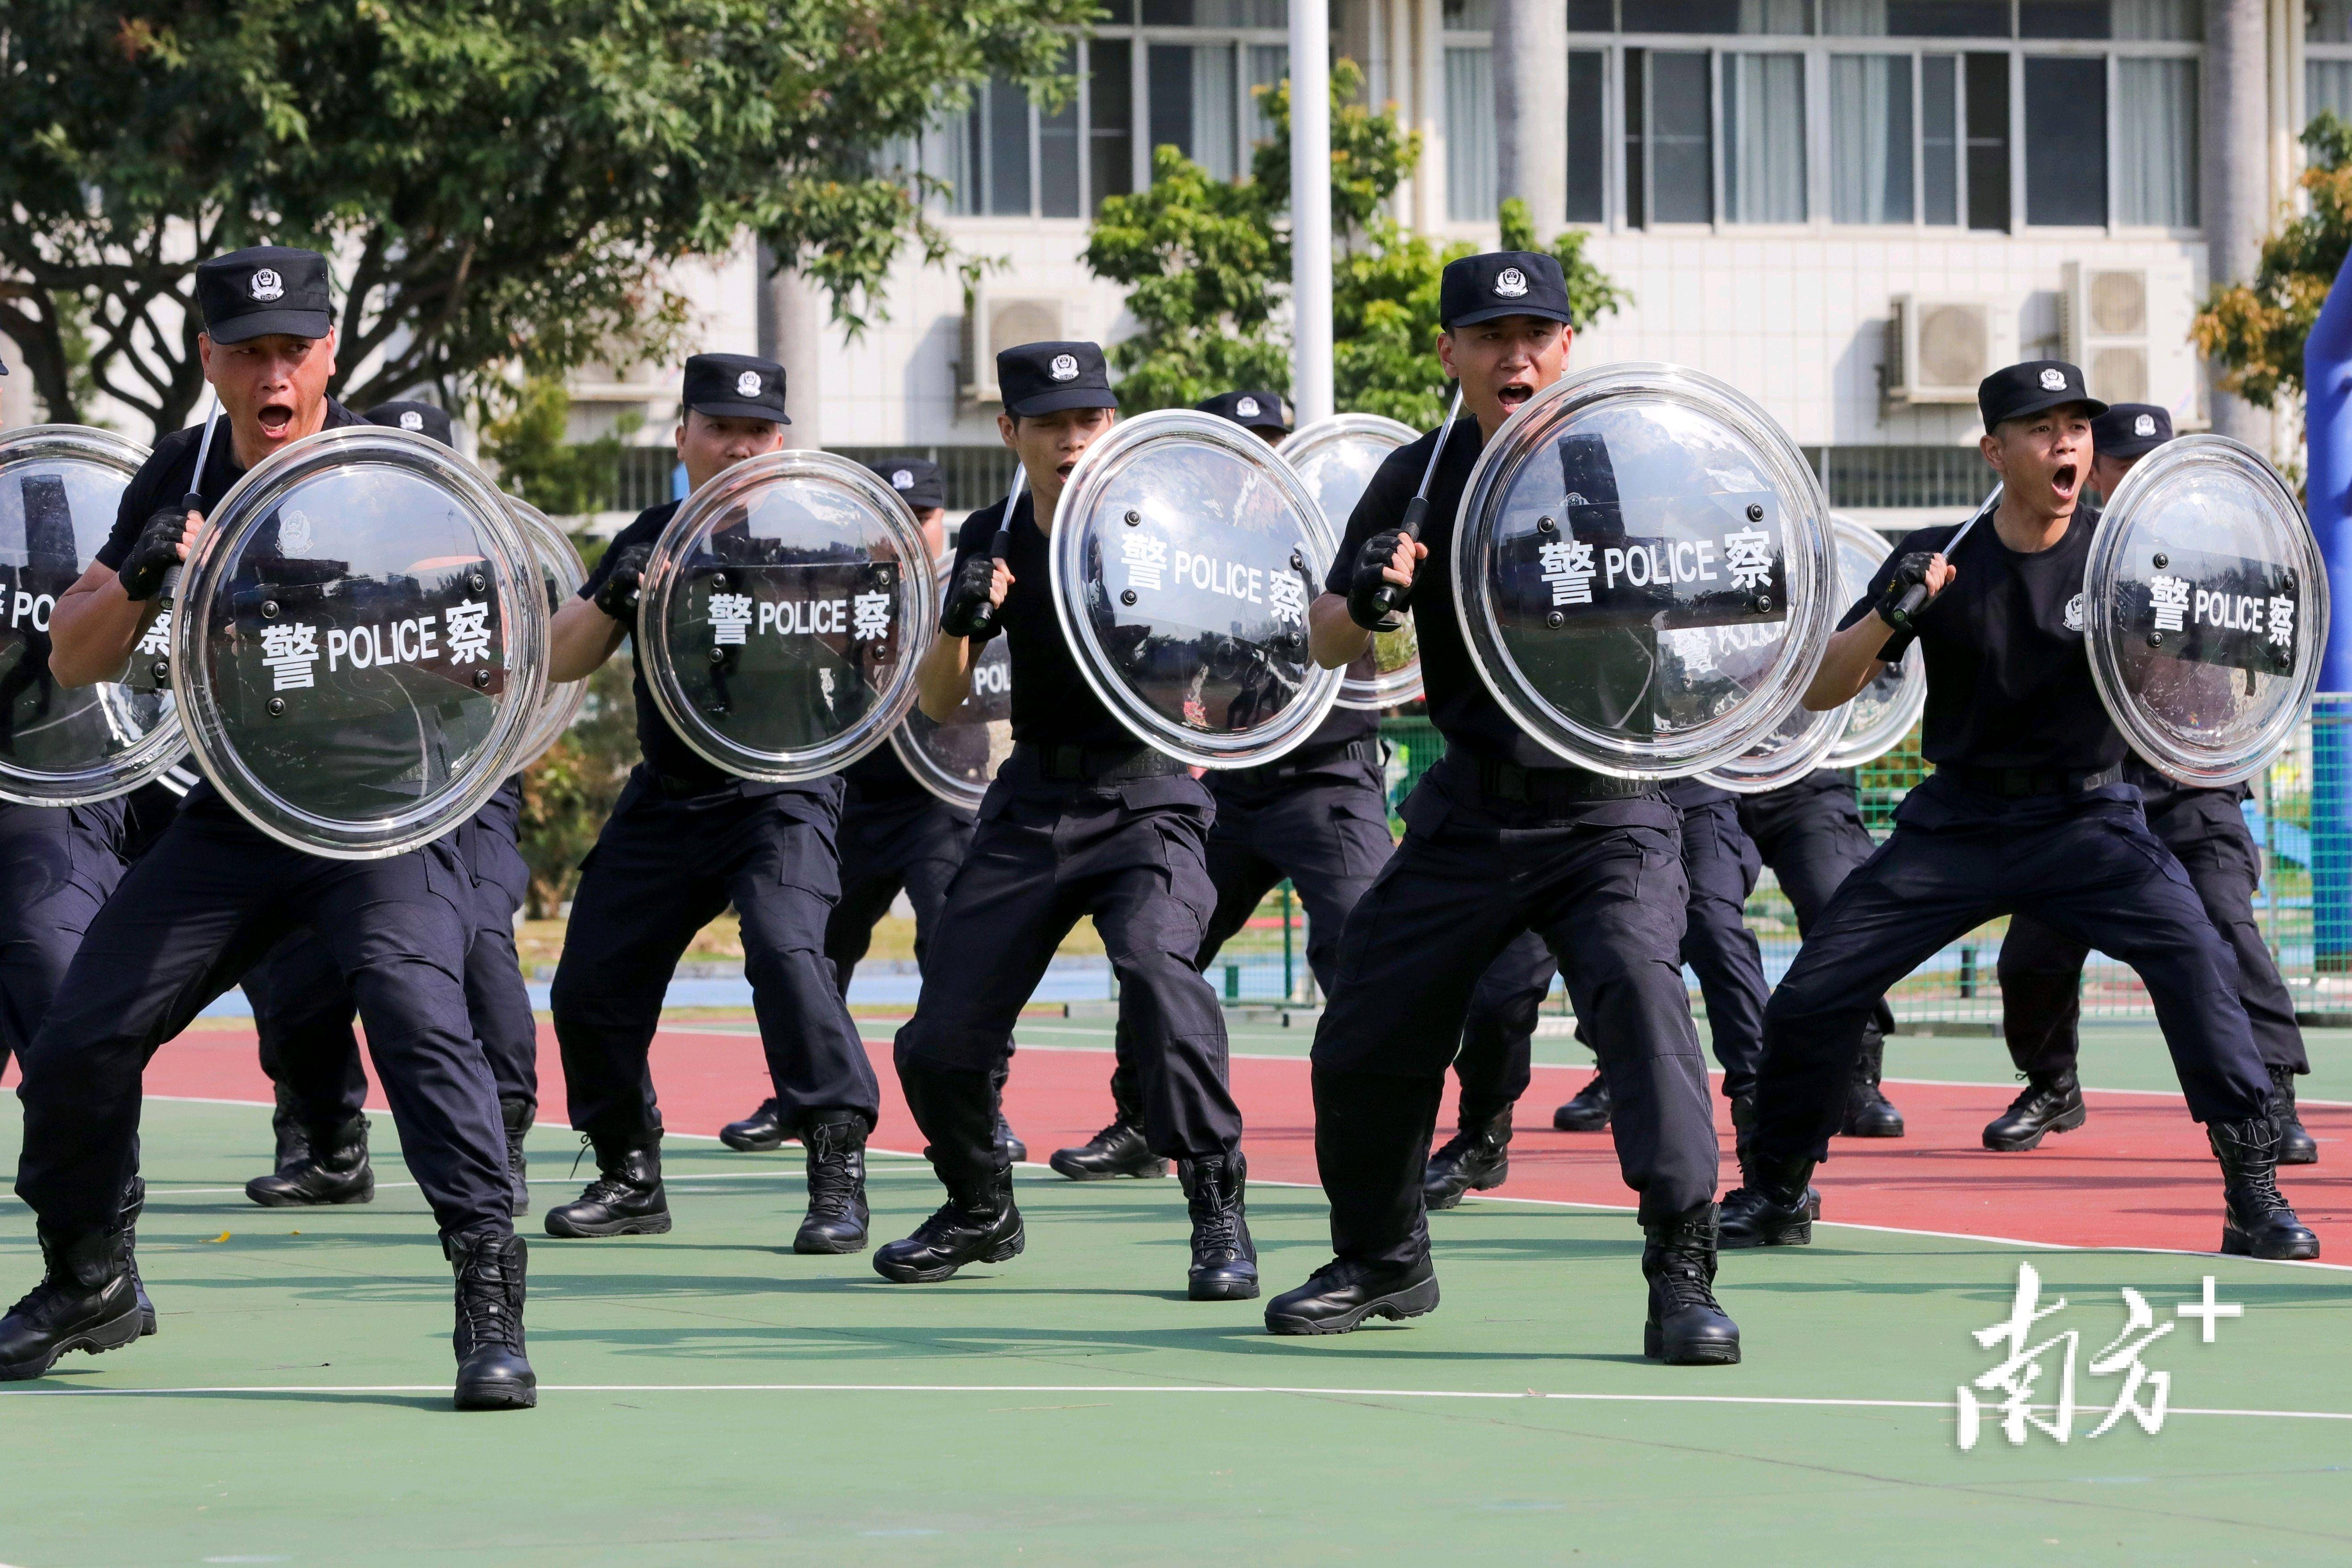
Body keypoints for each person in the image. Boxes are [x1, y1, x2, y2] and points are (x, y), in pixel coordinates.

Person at [0, 247, 534, 1408]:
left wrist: (406, 611)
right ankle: (89, 1276)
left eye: (294, 350)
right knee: (80, 1045)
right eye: (249, 353)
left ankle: (489, 1300)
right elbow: (75, 653)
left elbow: (500, 657)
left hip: (381, 816)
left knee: (414, 1017)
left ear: (330, 355)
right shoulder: (180, 469)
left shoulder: (394, 473)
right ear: (211, 363)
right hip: (234, 820)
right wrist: (138, 581)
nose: (273, 374)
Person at [1722, 363, 2317, 1263]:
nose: (2064, 444)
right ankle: (1774, 1189)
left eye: (2075, 427)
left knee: (2195, 955)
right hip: (1955, 823)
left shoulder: (2129, 560)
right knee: (1814, 988)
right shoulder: (1935, 553)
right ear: (1993, 450)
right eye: (2040, 429)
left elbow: (2213, 687)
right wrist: (1890, 613)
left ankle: (2251, 1194)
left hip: (2087, 821)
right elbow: (1819, 687)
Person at [1268, 252, 1738, 1365]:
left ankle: (1682, 1273)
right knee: (1363, 1033)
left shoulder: (1625, 465)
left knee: (1642, 1009)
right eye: (1487, 335)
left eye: (1535, 332)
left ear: (1568, 347)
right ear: (1450, 354)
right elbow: (1325, 634)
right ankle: (1385, 1256)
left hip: (1608, 806)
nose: (1513, 353)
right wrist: (1372, 593)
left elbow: (1728, 588)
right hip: (1469, 810)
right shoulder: (1413, 477)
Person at [873, 341, 1254, 1301]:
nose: (1072, 440)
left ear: (1112, 425)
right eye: (1049, 425)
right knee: (938, 1039)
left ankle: (1215, 1202)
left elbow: (1248, 643)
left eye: (1088, 420)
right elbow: (937, 704)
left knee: (1161, 980)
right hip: (1034, 801)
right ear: (1011, 433)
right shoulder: (986, 536)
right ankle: (977, 1204)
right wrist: (958, 621)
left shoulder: (1162, 530)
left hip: (1150, 794)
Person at [542, 354, 881, 1254]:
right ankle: (628, 1173)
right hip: (670, 796)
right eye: (720, 429)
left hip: (784, 790)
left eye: (758, 432)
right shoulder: (649, 536)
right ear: (683, 435)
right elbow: (561, 655)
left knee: (785, 949)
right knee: (587, 988)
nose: (738, 449)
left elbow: (889, 664)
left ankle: (836, 1167)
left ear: (782, 442)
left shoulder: (826, 542)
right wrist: (614, 594)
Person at [1989, 402, 2317, 1163]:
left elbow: (2271, 660)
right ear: (2096, 473)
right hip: (2091, 793)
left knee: (2226, 927)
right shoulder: (2067, 557)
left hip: (2191, 787)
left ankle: (2271, 1094)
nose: (2135, 479)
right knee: (2029, 955)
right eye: (2121, 466)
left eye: (2151, 466)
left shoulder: (2213, 563)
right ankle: (2051, 1083)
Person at [240, 399, 541, 1214]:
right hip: (351, 789)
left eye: (430, 473)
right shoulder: (331, 561)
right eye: (393, 473)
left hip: (468, 788)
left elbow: (529, 672)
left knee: (476, 942)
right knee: (294, 963)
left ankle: (501, 1138)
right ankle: (326, 1138)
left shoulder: (499, 566)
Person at [718, 456, 1024, 1166]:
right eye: (893, 518)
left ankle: (985, 1111)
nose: (908, 534)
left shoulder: (978, 589)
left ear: (941, 521)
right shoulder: (840, 592)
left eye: (920, 517)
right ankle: (798, 1098)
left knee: (958, 952)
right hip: (856, 798)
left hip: (946, 802)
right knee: (808, 951)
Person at [1546, 770, 1909, 1147]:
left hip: (1795, 777)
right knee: (1666, 914)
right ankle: (1629, 1062)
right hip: (1690, 778)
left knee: (1837, 903)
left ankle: (1858, 1075)